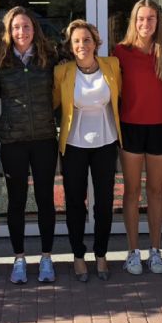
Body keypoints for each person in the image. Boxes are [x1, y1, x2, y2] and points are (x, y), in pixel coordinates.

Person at [0, 6, 58, 284]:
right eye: (16, 27)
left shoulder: (48, 58)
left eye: (26, 26)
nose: (21, 32)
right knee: (15, 202)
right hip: (13, 141)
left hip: (43, 140)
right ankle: (18, 258)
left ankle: (47, 258)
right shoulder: (1, 61)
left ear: (34, 29)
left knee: (44, 201)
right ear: (9, 31)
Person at [53, 20, 122, 282]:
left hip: (105, 143)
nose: (82, 45)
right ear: (70, 46)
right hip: (73, 145)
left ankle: (101, 254)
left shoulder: (112, 66)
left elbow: (119, 97)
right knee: (74, 204)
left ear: (96, 42)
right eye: (77, 41)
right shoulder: (63, 72)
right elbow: (54, 103)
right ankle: (79, 256)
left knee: (104, 203)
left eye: (87, 40)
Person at [113, 0, 162, 275]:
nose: (145, 24)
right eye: (141, 18)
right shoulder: (120, 52)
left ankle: (156, 251)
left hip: (160, 126)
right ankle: (132, 251)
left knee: (156, 192)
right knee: (132, 192)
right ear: (133, 21)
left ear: (158, 21)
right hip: (130, 127)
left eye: (151, 18)